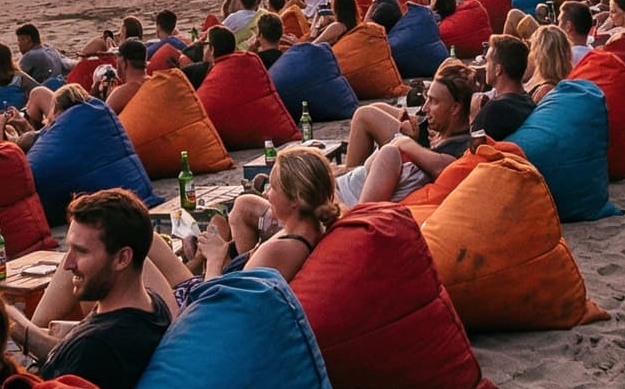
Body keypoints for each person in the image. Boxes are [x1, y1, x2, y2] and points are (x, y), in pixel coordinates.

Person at [4, 189, 170, 389]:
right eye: (69, 249)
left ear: (122, 258)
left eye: (81, 252)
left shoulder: (97, 349)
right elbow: (67, 355)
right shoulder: (152, 306)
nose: (67, 264)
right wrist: (8, 318)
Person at [334, 62, 476, 206]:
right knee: (374, 111)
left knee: (367, 118)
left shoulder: (459, 148)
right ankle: (345, 172)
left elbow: (445, 168)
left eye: (433, 101)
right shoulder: (440, 131)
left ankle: (344, 173)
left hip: (348, 197)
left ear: (455, 108)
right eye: (427, 98)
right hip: (350, 185)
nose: (425, 107)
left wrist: (405, 142)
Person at [212, 145, 339, 280]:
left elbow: (221, 299)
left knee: (214, 227)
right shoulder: (312, 228)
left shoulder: (278, 250)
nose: (265, 194)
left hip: (208, 292)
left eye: (272, 187)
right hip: (231, 279)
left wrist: (214, 258)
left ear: (296, 198)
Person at [470, 34, 535, 139]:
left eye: (487, 62)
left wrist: (474, 116)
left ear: (498, 70)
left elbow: (474, 148)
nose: (485, 68)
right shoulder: (528, 101)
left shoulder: (495, 109)